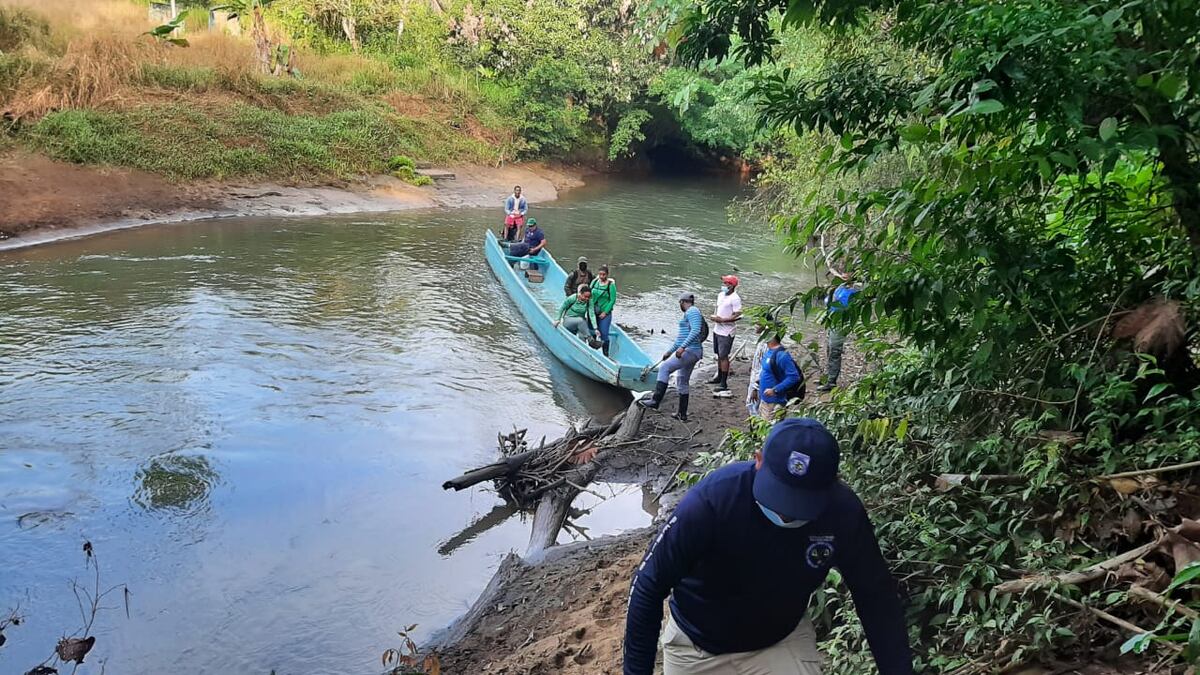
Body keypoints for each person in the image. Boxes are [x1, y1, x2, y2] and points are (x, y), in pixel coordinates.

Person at [622, 418, 914, 675]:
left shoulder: (843, 513)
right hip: (696, 646)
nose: (786, 515)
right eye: (780, 497)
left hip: (780, 641)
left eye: (801, 504)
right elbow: (649, 585)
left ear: (832, 483)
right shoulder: (711, 503)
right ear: (758, 460)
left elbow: (875, 595)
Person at [638, 292, 704, 422]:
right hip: (692, 351)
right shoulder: (689, 313)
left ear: (682, 302)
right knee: (682, 380)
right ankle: (682, 414)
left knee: (665, 368)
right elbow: (680, 339)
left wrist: (682, 347)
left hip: (691, 350)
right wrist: (670, 351)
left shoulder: (692, 311)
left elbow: (696, 330)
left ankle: (655, 400)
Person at [819, 270, 859, 392]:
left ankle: (831, 381)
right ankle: (828, 376)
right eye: (843, 272)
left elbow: (846, 307)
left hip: (841, 322)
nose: (844, 275)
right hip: (832, 320)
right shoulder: (840, 286)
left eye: (847, 273)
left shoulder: (854, 291)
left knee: (834, 350)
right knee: (829, 348)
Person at [706, 274, 742, 392]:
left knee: (723, 356)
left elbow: (738, 315)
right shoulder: (720, 295)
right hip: (717, 329)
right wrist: (715, 317)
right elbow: (718, 309)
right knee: (718, 354)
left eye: (727, 283)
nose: (724, 285)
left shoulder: (735, 298)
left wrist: (723, 320)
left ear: (732, 285)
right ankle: (718, 376)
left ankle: (723, 382)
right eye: (724, 283)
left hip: (727, 331)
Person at [758, 331, 803, 421]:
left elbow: (794, 377)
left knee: (771, 428)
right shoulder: (768, 352)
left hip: (775, 402)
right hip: (764, 400)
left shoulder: (782, 355)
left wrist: (775, 390)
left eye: (765, 334)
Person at [746, 315, 773, 417]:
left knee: (754, 407)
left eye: (758, 323)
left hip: (760, 381)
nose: (755, 326)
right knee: (753, 406)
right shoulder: (763, 339)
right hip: (757, 377)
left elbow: (765, 368)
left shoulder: (766, 343)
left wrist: (755, 388)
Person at [590, 265, 617, 357]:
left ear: (607, 274)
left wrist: (605, 312)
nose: (601, 276)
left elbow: (612, 300)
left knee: (604, 334)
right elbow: (589, 294)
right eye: (600, 274)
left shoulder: (611, 285)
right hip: (593, 311)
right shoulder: (594, 282)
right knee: (592, 332)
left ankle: (606, 355)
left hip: (605, 313)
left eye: (603, 274)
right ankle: (591, 352)